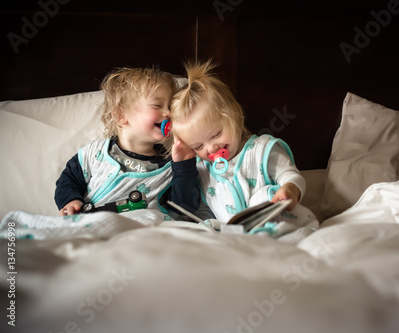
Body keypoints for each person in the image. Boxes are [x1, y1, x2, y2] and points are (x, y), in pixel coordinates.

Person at [169, 61, 318, 231]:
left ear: (234, 115)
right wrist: (182, 166)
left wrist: (289, 189)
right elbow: (194, 211)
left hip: (277, 221)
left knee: (262, 198)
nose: (211, 149)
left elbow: (292, 176)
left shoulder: (262, 150)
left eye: (216, 135)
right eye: (198, 146)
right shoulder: (203, 170)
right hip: (235, 236)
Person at [54, 66, 200, 217]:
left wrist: (184, 167)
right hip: (95, 223)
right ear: (120, 115)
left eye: (170, 107)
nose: (168, 113)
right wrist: (71, 201)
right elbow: (67, 180)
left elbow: (184, 210)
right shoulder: (95, 153)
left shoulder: (171, 164)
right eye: (157, 105)